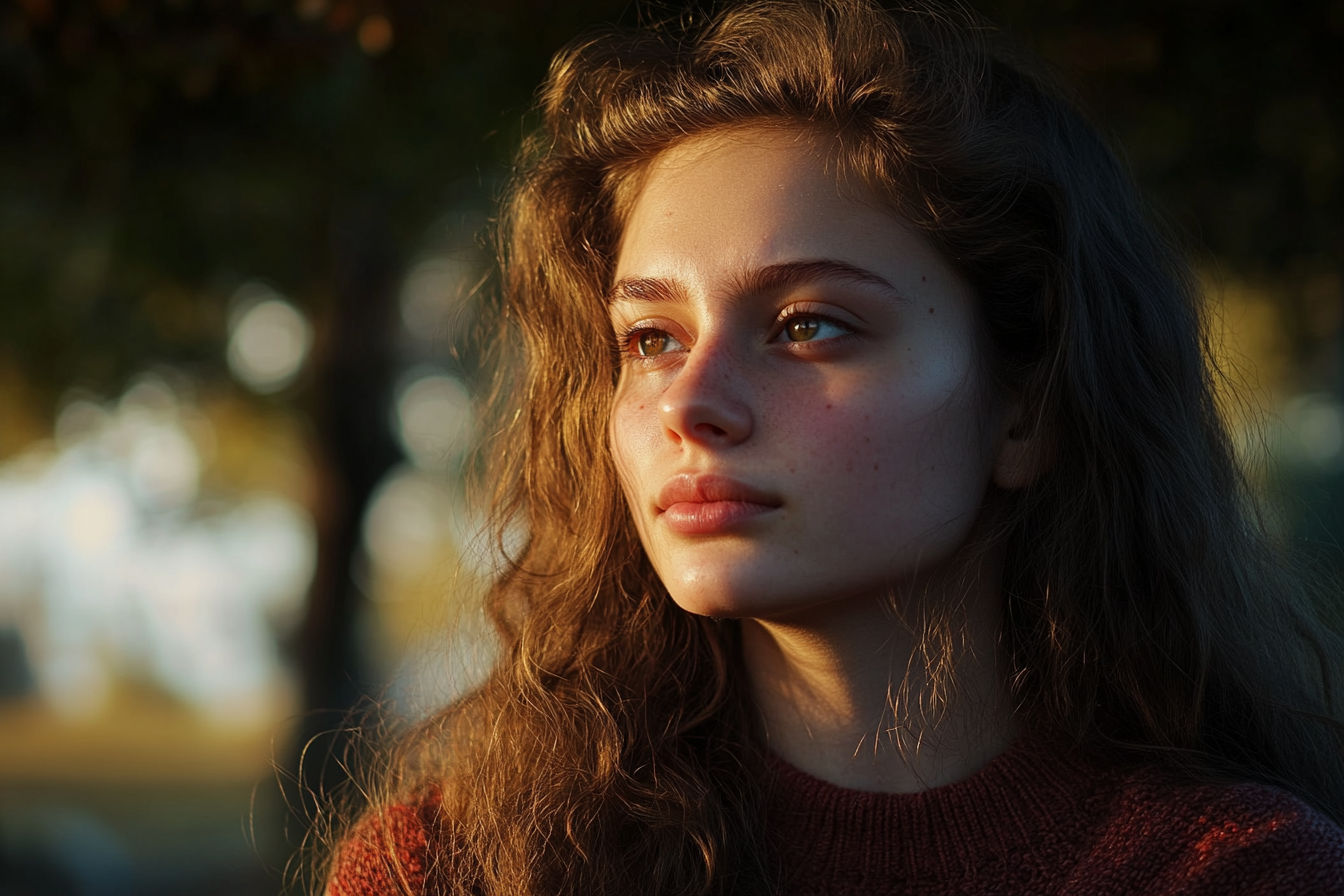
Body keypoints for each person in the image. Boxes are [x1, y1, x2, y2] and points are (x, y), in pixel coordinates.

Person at [324, 1, 1344, 893]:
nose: (692, 401)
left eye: (808, 324)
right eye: (650, 339)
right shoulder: (457, 868)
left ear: (1026, 405)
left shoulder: (1234, 870)